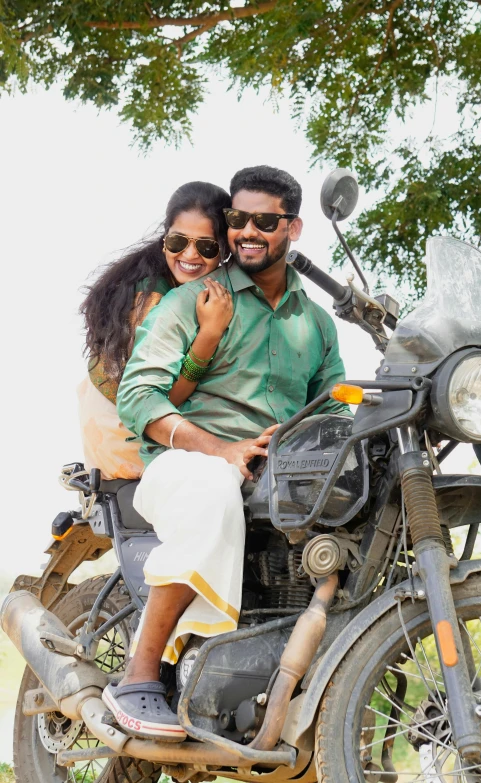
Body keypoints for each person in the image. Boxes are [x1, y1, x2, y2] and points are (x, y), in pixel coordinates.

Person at [104, 165, 350, 741]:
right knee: (215, 485)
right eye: (237, 219)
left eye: (264, 221)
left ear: (294, 228)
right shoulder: (194, 300)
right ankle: (140, 676)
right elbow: (139, 395)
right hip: (184, 466)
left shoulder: (315, 324)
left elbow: (334, 404)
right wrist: (221, 450)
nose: (247, 232)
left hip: (275, 477)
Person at [78, 182, 233, 480]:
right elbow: (155, 404)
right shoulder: (153, 300)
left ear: (224, 251)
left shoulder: (200, 290)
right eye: (178, 242)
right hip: (120, 437)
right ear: (164, 241)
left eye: (206, 246)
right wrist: (209, 335)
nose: (190, 254)